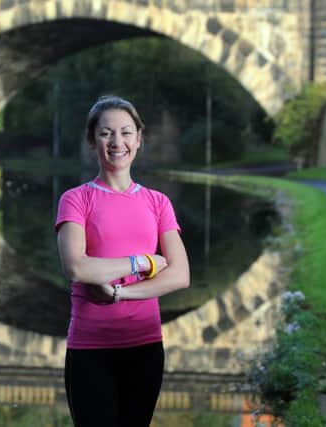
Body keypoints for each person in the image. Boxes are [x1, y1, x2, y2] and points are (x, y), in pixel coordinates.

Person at [55, 95, 190, 427]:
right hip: (90, 348)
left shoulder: (157, 202)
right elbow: (76, 267)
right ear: (92, 141)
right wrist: (143, 262)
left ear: (139, 140)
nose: (117, 142)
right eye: (106, 133)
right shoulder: (75, 199)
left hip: (144, 346)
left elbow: (180, 275)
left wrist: (120, 294)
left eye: (126, 132)